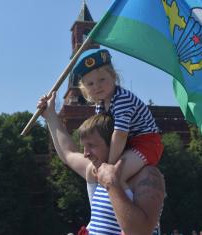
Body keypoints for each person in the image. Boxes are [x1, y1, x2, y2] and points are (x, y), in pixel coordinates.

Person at [37, 92, 165, 235]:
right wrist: (50, 115)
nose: (86, 153)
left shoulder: (148, 175)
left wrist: (112, 183)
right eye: (84, 146)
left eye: (91, 145)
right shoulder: (94, 169)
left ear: (113, 143)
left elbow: (141, 231)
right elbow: (68, 153)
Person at [72, 49, 164, 188]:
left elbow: (120, 134)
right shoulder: (101, 104)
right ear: (85, 88)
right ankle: (95, 206)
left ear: (113, 76)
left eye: (102, 79)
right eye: (90, 84)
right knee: (91, 172)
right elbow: (103, 134)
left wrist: (109, 164)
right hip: (127, 144)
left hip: (146, 144)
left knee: (115, 175)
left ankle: (127, 207)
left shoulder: (122, 99)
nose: (97, 86)